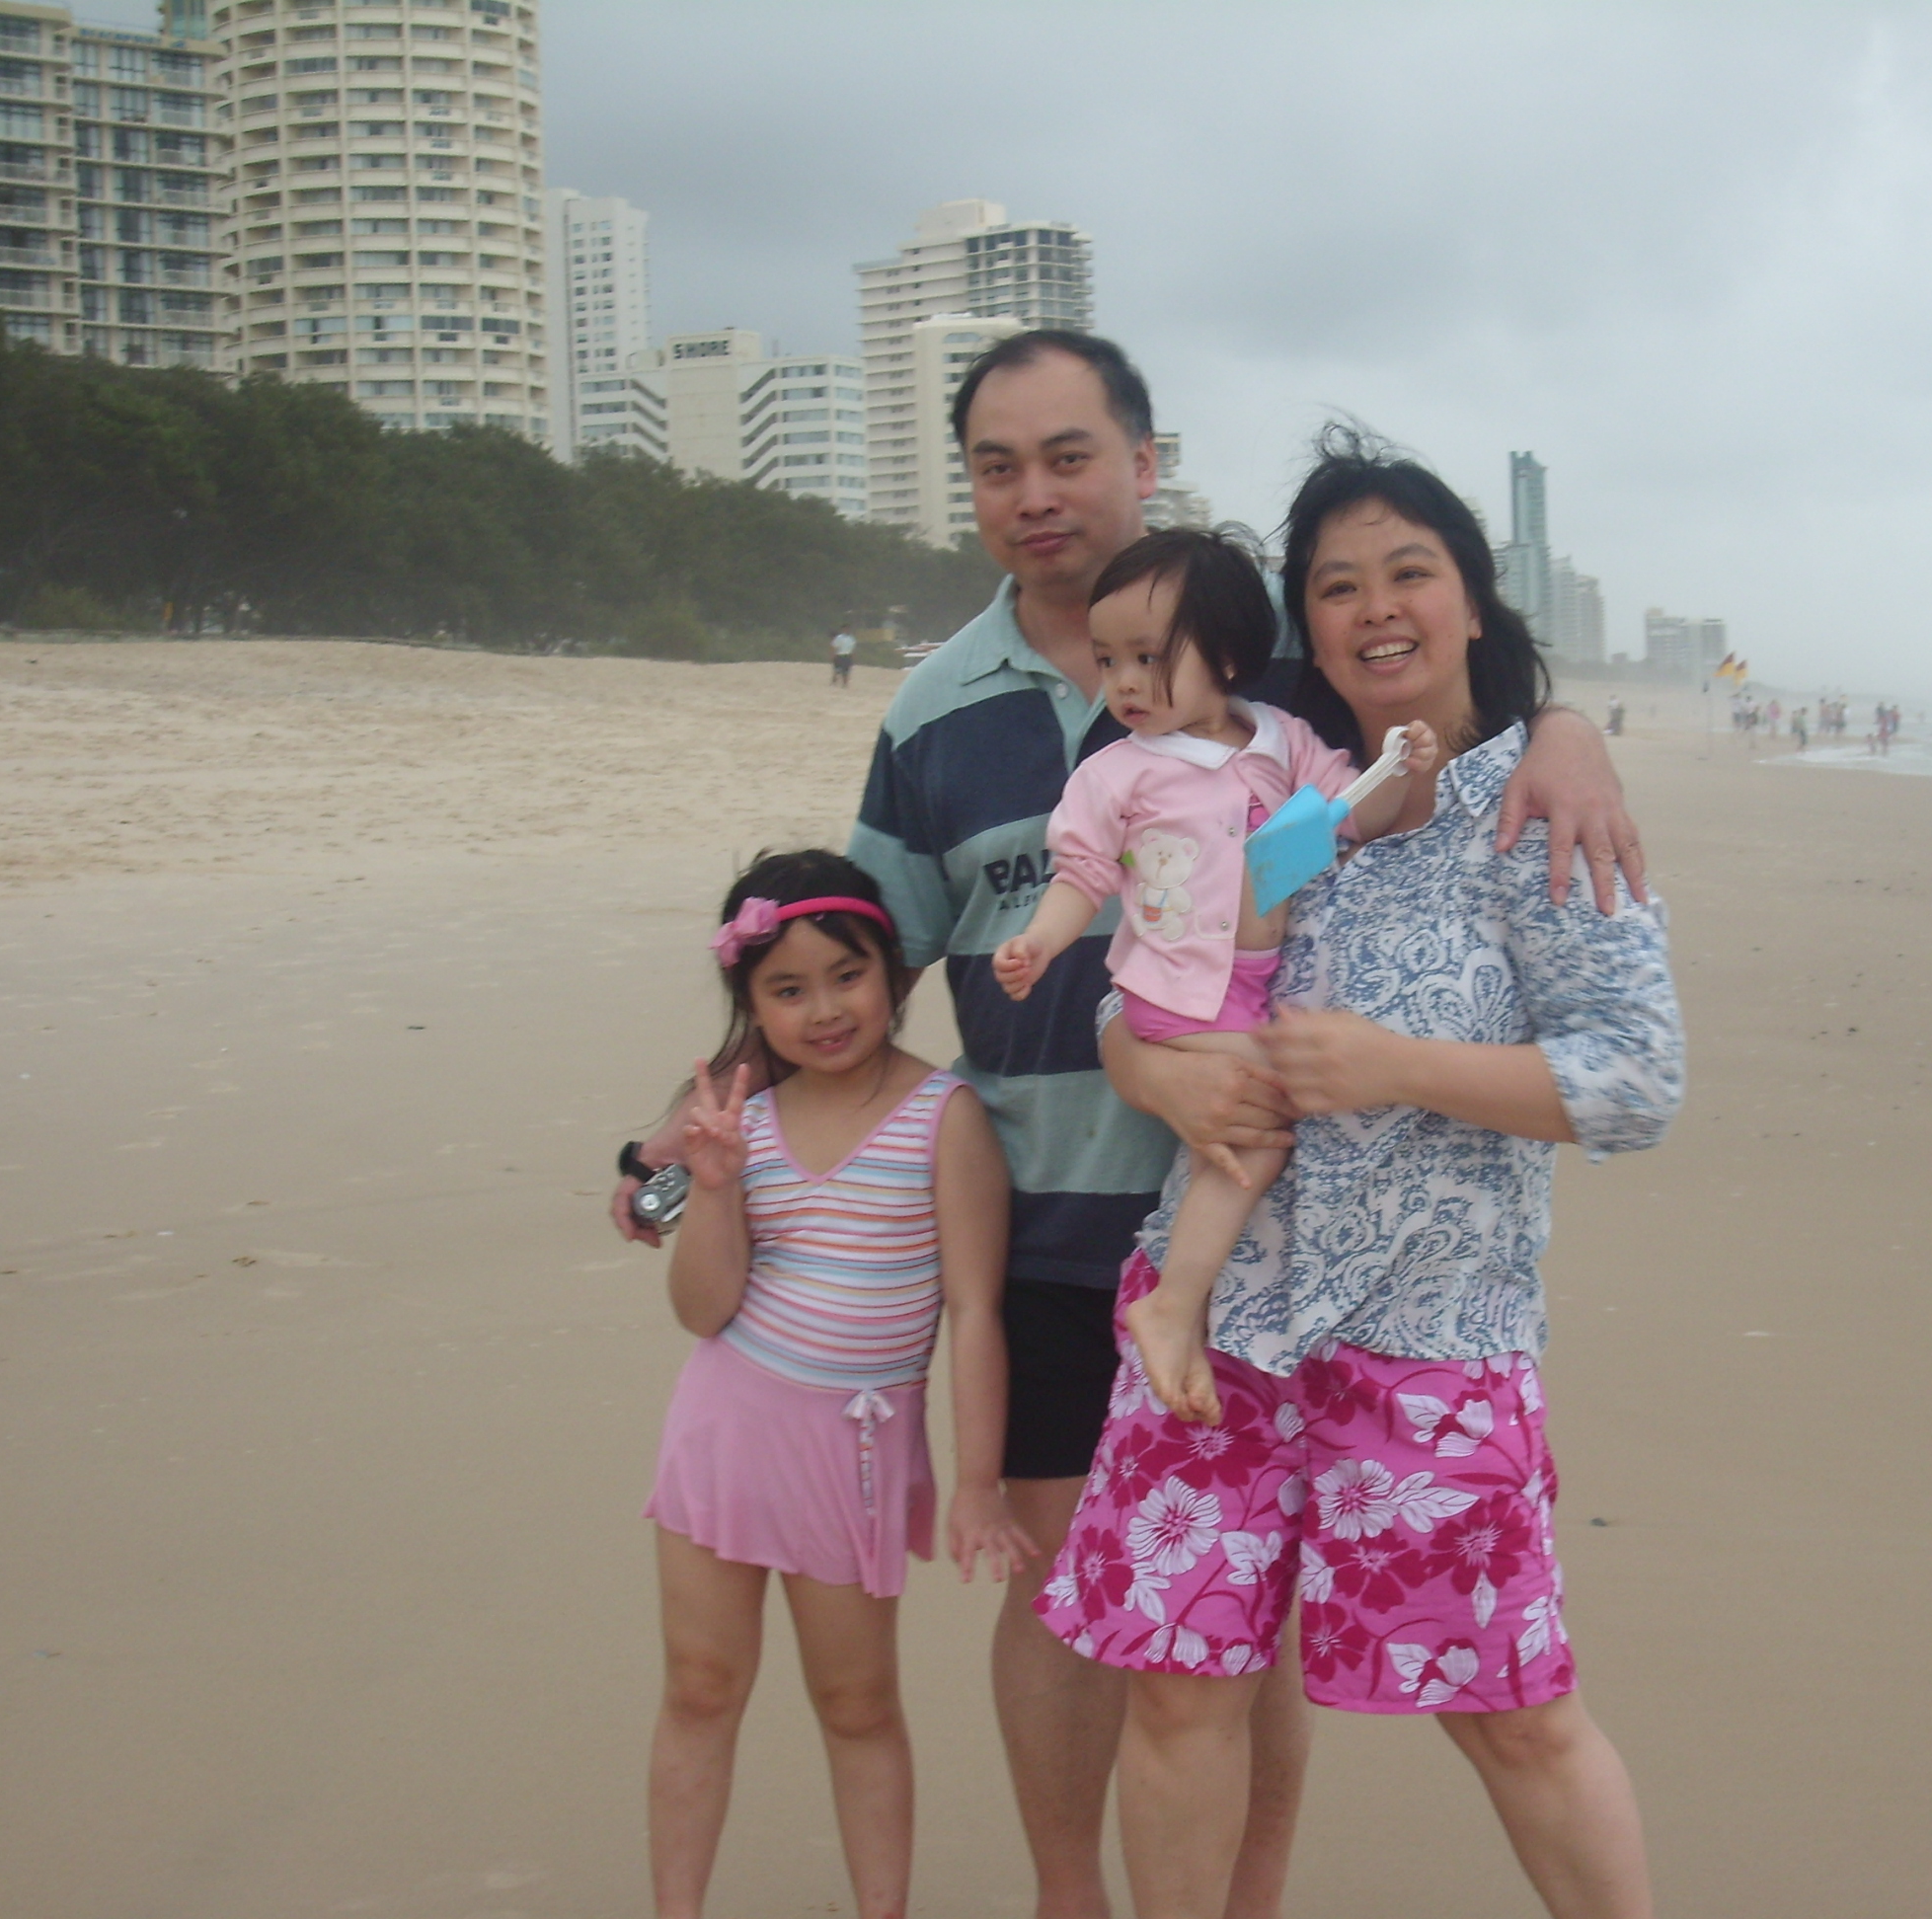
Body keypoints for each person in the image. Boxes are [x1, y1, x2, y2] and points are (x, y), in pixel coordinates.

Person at [614, 330, 1645, 1919]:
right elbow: (845, 951)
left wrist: (1572, 733)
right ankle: (1066, 1898)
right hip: (1039, 1214)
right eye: (997, 465)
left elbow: (1442, 718)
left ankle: (1248, 1899)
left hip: (1274, 1242)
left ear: (1142, 461)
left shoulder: (1272, 662)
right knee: (1073, 1601)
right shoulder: (937, 709)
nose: (1034, 492)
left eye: (1069, 455)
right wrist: (679, 1144)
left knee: (1238, 1634)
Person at [1038, 432, 1683, 1919]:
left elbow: (1638, 1078)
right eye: (1339, 586)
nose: (1377, 607)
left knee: (1513, 1712)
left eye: (1411, 571)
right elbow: (1164, 970)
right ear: (1306, 627)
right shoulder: (1284, 795)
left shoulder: (1541, 802)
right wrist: (1139, 1065)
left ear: (1472, 599)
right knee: (1176, 1694)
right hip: (1214, 1326)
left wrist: (1398, 1065)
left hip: (1430, 1342)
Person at [644, 849, 1031, 1919]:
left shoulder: (943, 1116)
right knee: (700, 1687)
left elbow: (975, 1311)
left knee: (857, 1703)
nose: (823, 1010)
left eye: (846, 976)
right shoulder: (746, 1125)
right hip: (725, 1431)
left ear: (893, 974)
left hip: (852, 1452)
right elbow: (701, 1311)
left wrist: (978, 1483)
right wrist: (710, 1188)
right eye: (787, 990)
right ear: (752, 1005)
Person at [994, 528, 1434, 1426]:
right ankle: (1172, 1308)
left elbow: (1353, 811)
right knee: (1261, 1130)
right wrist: (1039, 941)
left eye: (1149, 657)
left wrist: (1401, 767)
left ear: (1227, 656)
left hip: (1253, 980)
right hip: (1177, 994)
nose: (1123, 683)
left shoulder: (1281, 738)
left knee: (1229, 1145)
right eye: (1108, 659)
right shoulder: (1117, 772)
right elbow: (1082, 875)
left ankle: (1186, 1313)